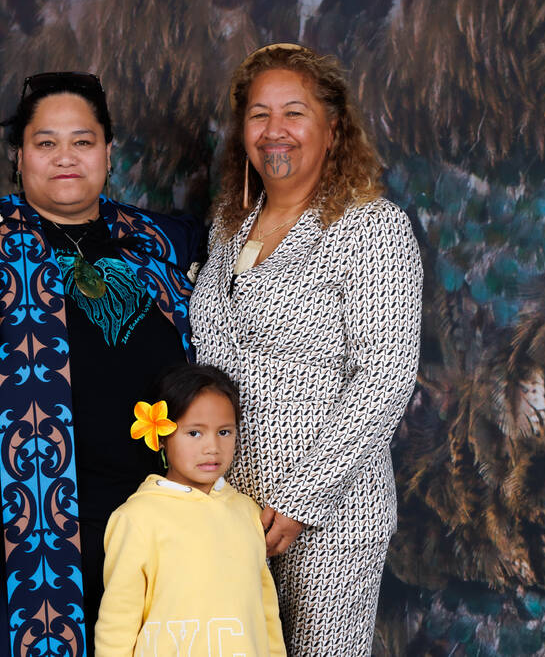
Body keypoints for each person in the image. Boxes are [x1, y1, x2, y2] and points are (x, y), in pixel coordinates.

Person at [0, 72, 203, 656]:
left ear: (108, 150)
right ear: (19, 155)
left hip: (158, 511)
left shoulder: (165, 242)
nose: (65, 157)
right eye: (45, 142)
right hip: (25, 523)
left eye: (82, 141)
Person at [189, 44, 422, 655]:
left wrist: (300, 503)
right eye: (259, 114)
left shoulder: (371, 227)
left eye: (294, 113)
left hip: (330, 517)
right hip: (231, 509)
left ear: (333, 127)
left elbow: (385, 376)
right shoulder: (228, 225)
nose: (275, 130)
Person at [95, 363, 287, 657]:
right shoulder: (137, 518)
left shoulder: (247, 512)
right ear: (161, 437)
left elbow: (266, 615)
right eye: (195, 433)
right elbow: (117, 626)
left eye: (224, 432)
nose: (212, 447)